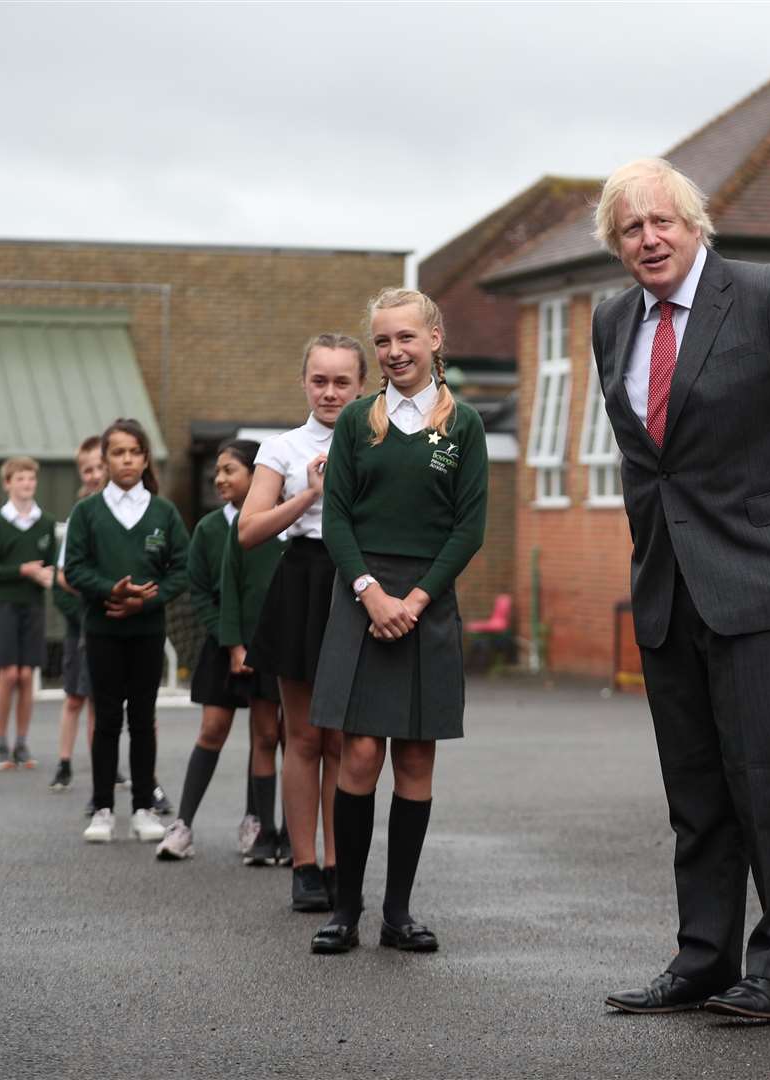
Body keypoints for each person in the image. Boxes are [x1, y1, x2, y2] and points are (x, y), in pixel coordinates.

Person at [592, 158, 770, 1022]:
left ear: (695, 222)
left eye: (662, 221)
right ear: (616, 245)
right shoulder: (610, 321)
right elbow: (653, 459)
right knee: (696, 788)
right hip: (669, 584)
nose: (650, 239)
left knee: (762, 780)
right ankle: (703, 958)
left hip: (767, 580)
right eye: (631, 229)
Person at [307, 288, 488, 956]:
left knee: (415, 757)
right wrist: (371, 594)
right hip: (362, 600)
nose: (393, 352)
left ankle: (398, 913)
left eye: (406, 338)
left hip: (427, 603)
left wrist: (415, 600)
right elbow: (336, 518)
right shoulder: (357, 421)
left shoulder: (462, 425)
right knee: (357, 754)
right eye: (382, 341)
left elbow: (469, 528)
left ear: (435, 339)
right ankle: (344, 911)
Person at [238, 334, 364, 911]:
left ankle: (341, 864)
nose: (330, 391)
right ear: (304, 381)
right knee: (303, 736)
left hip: (358, 582)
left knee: (344, 737)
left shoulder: (380, 439)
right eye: (320, 379)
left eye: (342, 381)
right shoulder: (281, 447)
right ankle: (304, 865)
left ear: (363, 385)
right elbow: (250, 530)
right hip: (303, 579)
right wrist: (307, 497)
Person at [64, 418, 190, 844]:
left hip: (148, 631)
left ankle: (141, 807)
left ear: (144, 457)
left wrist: (147, 600)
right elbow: (74, 568)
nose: (127, 460)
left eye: (134, 451)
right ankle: (102, 807)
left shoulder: (163, 512)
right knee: (105, 722)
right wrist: (109, 591)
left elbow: (182, 569)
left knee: (142, 719)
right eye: (118, 452)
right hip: (102, 630)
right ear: (104, 459)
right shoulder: (87, 512)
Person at [156, 439, 282, 861]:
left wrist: (256, 644)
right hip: (223, 646)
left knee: (266, 734)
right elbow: (200, 594)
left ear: (256, 474)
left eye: (230, 470)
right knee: (212, 729)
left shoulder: (277, 523)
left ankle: (256, 824)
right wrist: (229, 642)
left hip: (269, 648)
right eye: (217, 471)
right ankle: (184, 824)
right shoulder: (209, 529)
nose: (220, 478)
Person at [218, 468, 290, 867]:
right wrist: (234, 645)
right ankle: (264, 831)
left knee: (297, 741)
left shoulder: (309, 524)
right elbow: (230, 585)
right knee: (264, 736)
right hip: (257, 649)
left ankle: (294, 834)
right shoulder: (248, 525)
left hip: (298, 648)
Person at [0, 455, 57, 771]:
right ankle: (0, 743)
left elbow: (51, 566)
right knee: (8, 674)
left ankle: (22, 743)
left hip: (34, 606)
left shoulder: (47, 523)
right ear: (8, 483)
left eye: (31, 479)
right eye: (20, 478)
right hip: (5, 606)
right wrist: (22, 571)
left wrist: (47, 576)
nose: (27, 484)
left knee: (26, 676)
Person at [49, 437, 106, 794]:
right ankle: (64, 762)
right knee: (75, 697)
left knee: (103, 701)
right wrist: (84, 608)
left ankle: (104, 763)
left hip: (110, 621)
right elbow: (63, 578)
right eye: (88, 470)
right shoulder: (79, 517)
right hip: (82, 624)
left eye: (100, 467)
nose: (96, 475)